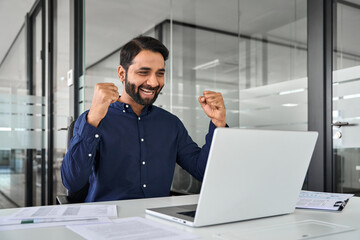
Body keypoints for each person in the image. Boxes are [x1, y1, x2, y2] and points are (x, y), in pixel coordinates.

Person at [61, 36, 227, 202]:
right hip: (107, 221)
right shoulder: (94, 119)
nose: (154, 82)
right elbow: (72, 182)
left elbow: (203, 171)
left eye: (160, 73)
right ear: (121, 73)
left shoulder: (171, 124)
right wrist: (93, 118)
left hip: (157, 220)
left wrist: (217, 124)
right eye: (143, 72)